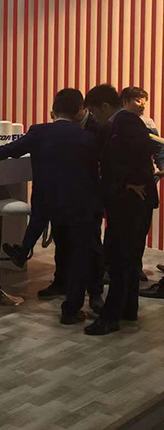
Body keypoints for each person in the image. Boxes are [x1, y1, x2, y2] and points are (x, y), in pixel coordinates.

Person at [0, 89, 103, 324]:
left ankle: (24, 251)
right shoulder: (88, 138)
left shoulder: (39, 132)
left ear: (53, 110)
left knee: (61, 247)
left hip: (48, 203)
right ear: (79, 110)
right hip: (79, 205)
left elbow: (9, 150)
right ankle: (71, 310)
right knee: (78, 257)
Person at [83, 85, 159, 335]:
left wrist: (127, 183)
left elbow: (136, 153)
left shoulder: (122, 122)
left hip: (129, 202)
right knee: (128, 258)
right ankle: (128, 309)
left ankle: (111, 316)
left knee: (119, 258)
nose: (94, 118)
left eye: (94, 112)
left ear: (104, 106)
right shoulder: (125, 122)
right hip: (134, 201)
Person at [119, 86, 164, 285]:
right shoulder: (115, 123)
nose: (142, 104)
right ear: (125, 102)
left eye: (144, 100)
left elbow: (158, 148)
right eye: (137, 100)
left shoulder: (148, 123)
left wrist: (162, 168)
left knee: (140, 230)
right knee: (122, 231)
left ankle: (134, 267)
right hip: (123, 187)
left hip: (146, 183)